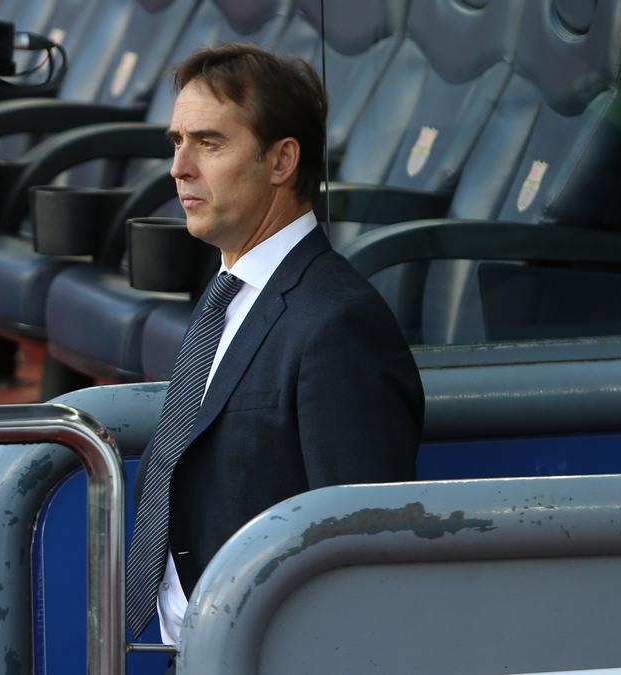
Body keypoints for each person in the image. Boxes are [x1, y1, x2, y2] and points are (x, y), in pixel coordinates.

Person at [124, 44, 425, 666]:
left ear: (282, 159)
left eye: (208, 143)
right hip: (193, 650)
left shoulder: (339, 322)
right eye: (176, 141)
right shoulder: (228, 290)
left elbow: (362, 553)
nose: (179, 167)